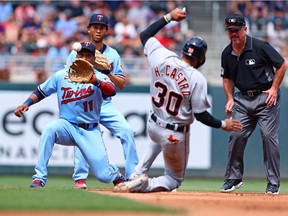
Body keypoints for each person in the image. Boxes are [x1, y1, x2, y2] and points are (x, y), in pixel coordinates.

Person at [115, 8, 243, 193]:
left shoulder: (161, 56)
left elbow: (145, 35)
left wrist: (169, 18)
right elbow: (201, 115)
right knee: (174, 179)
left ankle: (136, 174)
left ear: (183, 50)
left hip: (153, 125)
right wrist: (224, 124)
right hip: (174, 135)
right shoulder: (196, 78)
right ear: (200, 59)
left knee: (157, 138)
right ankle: (143, 184)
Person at [13, 42, 142, 188]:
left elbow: (111, 91)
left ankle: (114, 173)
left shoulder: (99, 77)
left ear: (94, 59)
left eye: (88, 55)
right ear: (75, 56)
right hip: (67, 126)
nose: (84, 58)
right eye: (81, 55)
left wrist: (96, 82)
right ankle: (39, 178)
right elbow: (40, 92)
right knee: (49, 130)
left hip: (90, 130)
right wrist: (26, 103)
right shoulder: (62, 75)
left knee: (103, 176)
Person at [65, 13, 139, 189]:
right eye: (95, 27)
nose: (98, 30)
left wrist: (107, 72)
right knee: (83, 134)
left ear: (106, 30)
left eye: (101, 27)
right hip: (84, 102)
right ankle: (80, 178)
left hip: (104, 104)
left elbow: (121, 84)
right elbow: (67, 78)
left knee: (127, 131)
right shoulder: (77, 52)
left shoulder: (112, 54)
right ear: (88, 29)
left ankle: (132, 176)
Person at [220, 14, 287, 194]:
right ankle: (233, 178)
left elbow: (282, 65)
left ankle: (273, 183)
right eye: (230, 31)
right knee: (236, 135)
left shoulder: (259, 46)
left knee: (268, 136)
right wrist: (229, 98)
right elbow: (227, 78)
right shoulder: (227, 53)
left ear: (245, 29)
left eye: (236, 30)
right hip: (242, 99)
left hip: (266, 97)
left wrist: (274, 88)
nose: (233, 34)